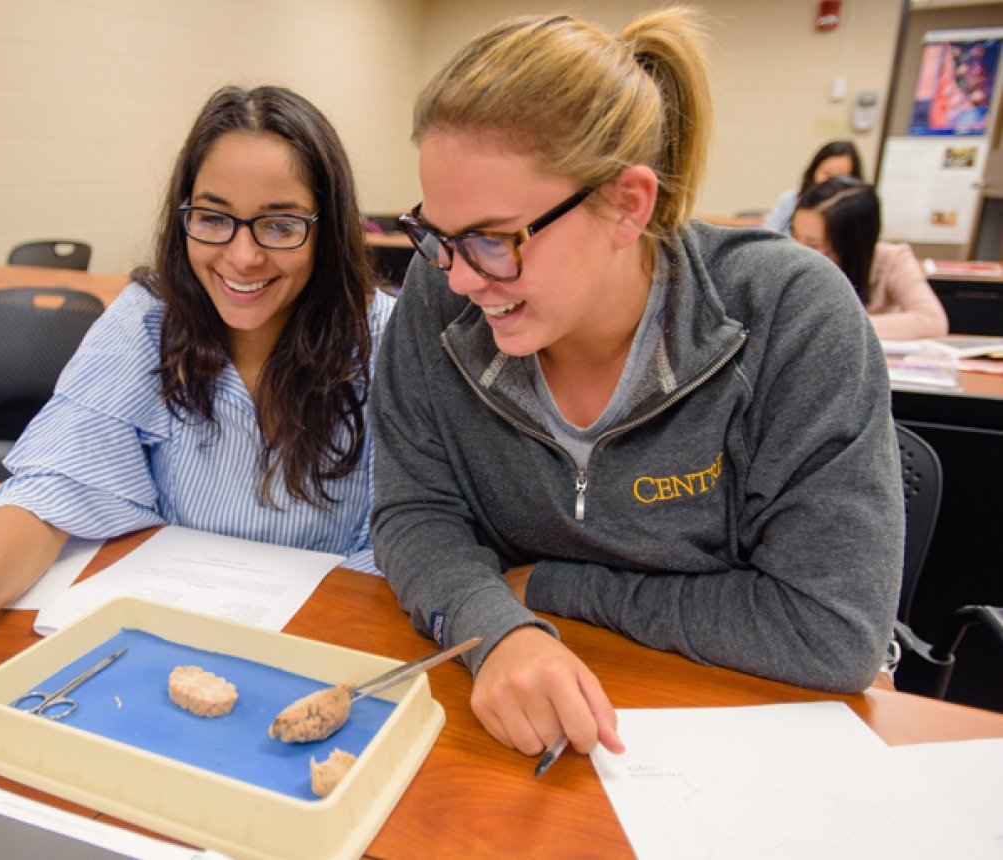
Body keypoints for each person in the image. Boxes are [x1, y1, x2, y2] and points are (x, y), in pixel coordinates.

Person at [371, 8, 902, 761]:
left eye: (494, 239)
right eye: (437, 235)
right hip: (517, 722)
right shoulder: (442, 297)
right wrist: (492, 625)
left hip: (743, 728)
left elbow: (829, 629)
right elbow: (413, 509)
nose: (459, 276)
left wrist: (551, 590)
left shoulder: (790, 316)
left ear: (627, 205)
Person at [0, 85, 395, 740]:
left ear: (328, 227)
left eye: (280, 224)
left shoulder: (388, 340)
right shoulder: (149, 319)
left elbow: (415, 538)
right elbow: (55, 480)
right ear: (183, 214)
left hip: (328, 655)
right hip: (166, 654)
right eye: (214, 217)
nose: (242, 256)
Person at [791, 177, 949, 339]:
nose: (798, 252)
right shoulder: (786, 262)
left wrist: (836, 326)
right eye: (794, 236)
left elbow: (932, 322)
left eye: (814, 245)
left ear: (852, 245)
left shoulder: (891, 259)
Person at [761, 139, 863, 233]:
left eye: (840, 178)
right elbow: (767, 236)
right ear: (814, 171)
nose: (831, 183)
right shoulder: (790, 200)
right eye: (827, 174)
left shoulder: (856, 214)